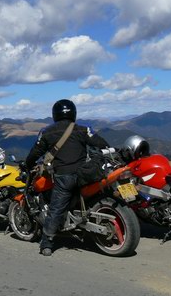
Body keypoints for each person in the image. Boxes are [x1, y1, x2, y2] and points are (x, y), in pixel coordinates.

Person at [24, 99, 109, 257]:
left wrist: (27, 165)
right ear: (74, 113)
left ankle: (46, 243)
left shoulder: (47, 132)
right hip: (86, 175)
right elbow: (101, 143)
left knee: (56, 209)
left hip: (65, 177)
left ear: (54, 115)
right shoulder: (83, 129)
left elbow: (35, 153)